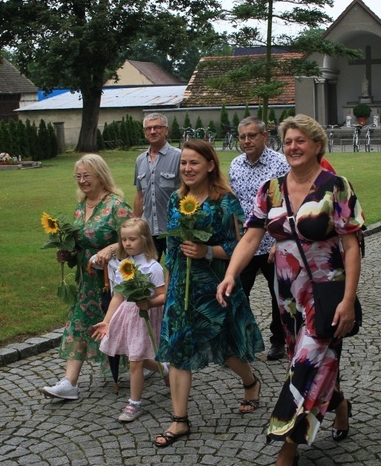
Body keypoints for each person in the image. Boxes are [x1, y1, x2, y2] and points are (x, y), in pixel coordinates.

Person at [217, 114, 364, 466]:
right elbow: (251, 237)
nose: (294, 147)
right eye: (289, 141)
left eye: (301, 140)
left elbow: (351, 246)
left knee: (303, 367)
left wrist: (348, 299)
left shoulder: (336, 187)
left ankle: (287, 449)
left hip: (327, 292)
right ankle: (339, 403)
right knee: (311, 361)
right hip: (287, 297)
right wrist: (231, 273)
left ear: (317, 145)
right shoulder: (271, 190)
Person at [154, 140, 264, 448]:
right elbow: (172, 247)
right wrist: (168, 283)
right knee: (178, 350)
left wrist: (206, 251)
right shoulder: (176, 200)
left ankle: (251, 382)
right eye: (184, 163)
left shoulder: (226, 202)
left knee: (227, 348)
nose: (187, 169)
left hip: (216, 286)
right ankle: (180, 420)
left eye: (194, 163)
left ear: (210, 165)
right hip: (181, 289)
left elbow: (242, 247)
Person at [42, 154, 133, 400]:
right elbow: (79, 243)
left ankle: (157, 365)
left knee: (121, 328)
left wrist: (110, 249)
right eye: (78, 176)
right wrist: (68, 253)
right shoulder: (81, 207)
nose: (82, 181)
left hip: (112, 281)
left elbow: (134, 238)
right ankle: (69, 383)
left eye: (87, 175)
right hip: (87, 280)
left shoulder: (116, 205)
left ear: (100, 176)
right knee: (78, 324)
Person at [92, 218, 167, 422]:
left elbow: (164, 295)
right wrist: (107, 322)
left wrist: (150, 303)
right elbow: (118, 296)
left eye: (132, 239)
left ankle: (134, 404)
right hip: (128, 315)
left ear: (144, 239)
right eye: (124, 239)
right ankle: (165, 369)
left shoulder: (153, 267)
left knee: (135, 361)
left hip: (145, 316)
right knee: (136, 356)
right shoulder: (123, 266)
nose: (127, 244)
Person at [228, 117, 290, 362]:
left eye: (252, 136)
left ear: (264, 136)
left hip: (273, 243)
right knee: (238, 294)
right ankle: (242, 341)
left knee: (279, 295)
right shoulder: (235, 165)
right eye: (242, 136)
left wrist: (280, 240)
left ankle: (279, 341)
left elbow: (289, 204)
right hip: (245, 243)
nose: (246, 141)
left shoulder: (280, 164)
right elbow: (234, 203)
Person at [134, 113, 181, 258]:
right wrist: (136, 224)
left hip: (173, 229)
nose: (153, 131)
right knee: (147, 271)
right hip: (148, 230)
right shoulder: (140, 160)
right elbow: (139, 195)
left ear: (166, 130)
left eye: (157, 127)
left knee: (174, 271)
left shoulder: (179, 156)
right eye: (148, 128)